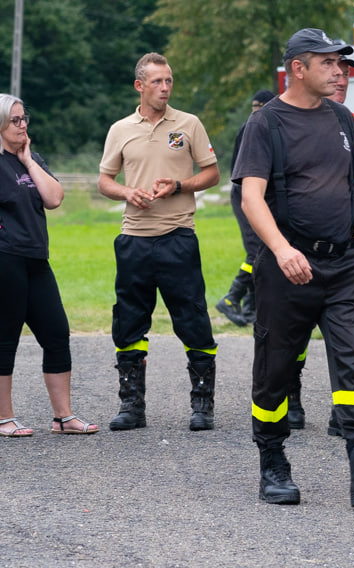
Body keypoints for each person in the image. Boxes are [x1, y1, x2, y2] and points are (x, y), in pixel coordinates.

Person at [233, 28, 354, 507]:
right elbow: (251, 196)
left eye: (340, 63)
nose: (339, 71)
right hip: (287, 266)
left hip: (344, 266)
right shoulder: (266, 123)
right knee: (275, 371)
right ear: (298, 68)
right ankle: (272, 464)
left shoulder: (346, 121)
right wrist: (281, 250)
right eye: (329, 62)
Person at [98, 53, 221, 432]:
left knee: (194, 320)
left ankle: (202, 405)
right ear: (139, 86)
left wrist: (180, 186)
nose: (165, 88)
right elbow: (105, 181)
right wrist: (126, 193)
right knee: (129, 322)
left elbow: (213, 174)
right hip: (134, 239)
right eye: (157, 82)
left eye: (168, 81)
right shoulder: (120, 129)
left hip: (178, 237)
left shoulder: (189, 124)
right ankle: (132, 406)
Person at [285, 50, 354, 433]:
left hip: (348, 250)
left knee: (353, 339)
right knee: (292, 334)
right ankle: (291, 395)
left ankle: (347, 416)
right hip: (299, 249)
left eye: (347, 72)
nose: (342, 78)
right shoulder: (282, 122)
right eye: (336, 70)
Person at [0, 94, 98, 437]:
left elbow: (54, 198)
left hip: (37, 260)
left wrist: (28, 161)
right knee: (4, 338)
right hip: (6, 260)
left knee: (57, 332)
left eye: (24, 118)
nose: (23, 124)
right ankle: (3, 417)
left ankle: (62, 417)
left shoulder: (32, 159)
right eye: (15, 120)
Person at [216, 89, 276, 327]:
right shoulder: (253, 127)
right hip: (245, 195)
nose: (255, 112)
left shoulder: (258, 124)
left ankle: (251, 309)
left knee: (262, 252)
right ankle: (232, 297)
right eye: (255, 108)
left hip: (256, 195)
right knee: (256, 251)